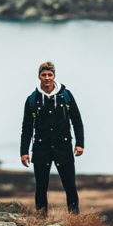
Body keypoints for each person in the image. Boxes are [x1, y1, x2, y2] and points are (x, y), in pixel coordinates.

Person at [20, 60, 84, 213]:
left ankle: (74, 219)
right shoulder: (32, 99)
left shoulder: (66, 96)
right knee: (41, 188)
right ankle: (41, 219)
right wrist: (24, 152)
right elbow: (27, 128)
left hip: (64, 147)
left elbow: (77, 120)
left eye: (50, 74)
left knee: (70, 186)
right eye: (44, 75)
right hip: (41, 148)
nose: (47, 78)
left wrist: (80, 143)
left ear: (54, 76)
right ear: (39, 76)